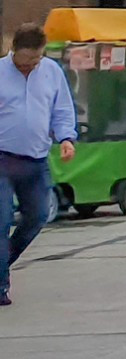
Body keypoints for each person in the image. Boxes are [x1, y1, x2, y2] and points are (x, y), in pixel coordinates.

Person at [0, 27, 77, 307]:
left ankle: (2, 263)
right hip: (2, 159)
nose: (32, 63)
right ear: (14, 49)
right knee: (2, 219)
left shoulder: (51, 72)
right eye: (27, 59)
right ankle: (0, 286)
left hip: (35, 160)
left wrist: (66, 137)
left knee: (37, 216)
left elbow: (62, 109)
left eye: (37, 58)